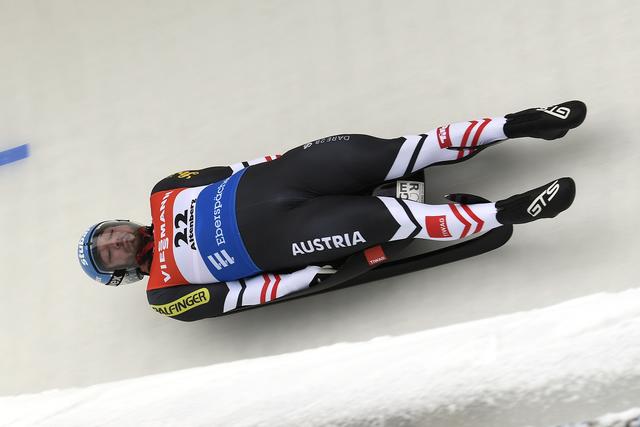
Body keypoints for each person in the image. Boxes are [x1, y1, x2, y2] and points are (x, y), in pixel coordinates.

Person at [77, 100, 586, 321]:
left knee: (389, 151)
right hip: (290, 235)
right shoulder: (165, 294)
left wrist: (299, 156)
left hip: (287, 177)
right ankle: (510, 211)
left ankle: (519, 124)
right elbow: (243, 297)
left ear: (118, 221)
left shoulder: (165, 190)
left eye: (109, 234)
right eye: (108, 255)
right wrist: (308, 276)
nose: (116, 242)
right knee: (387, 221)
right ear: (120, 273)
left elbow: (243, 166)